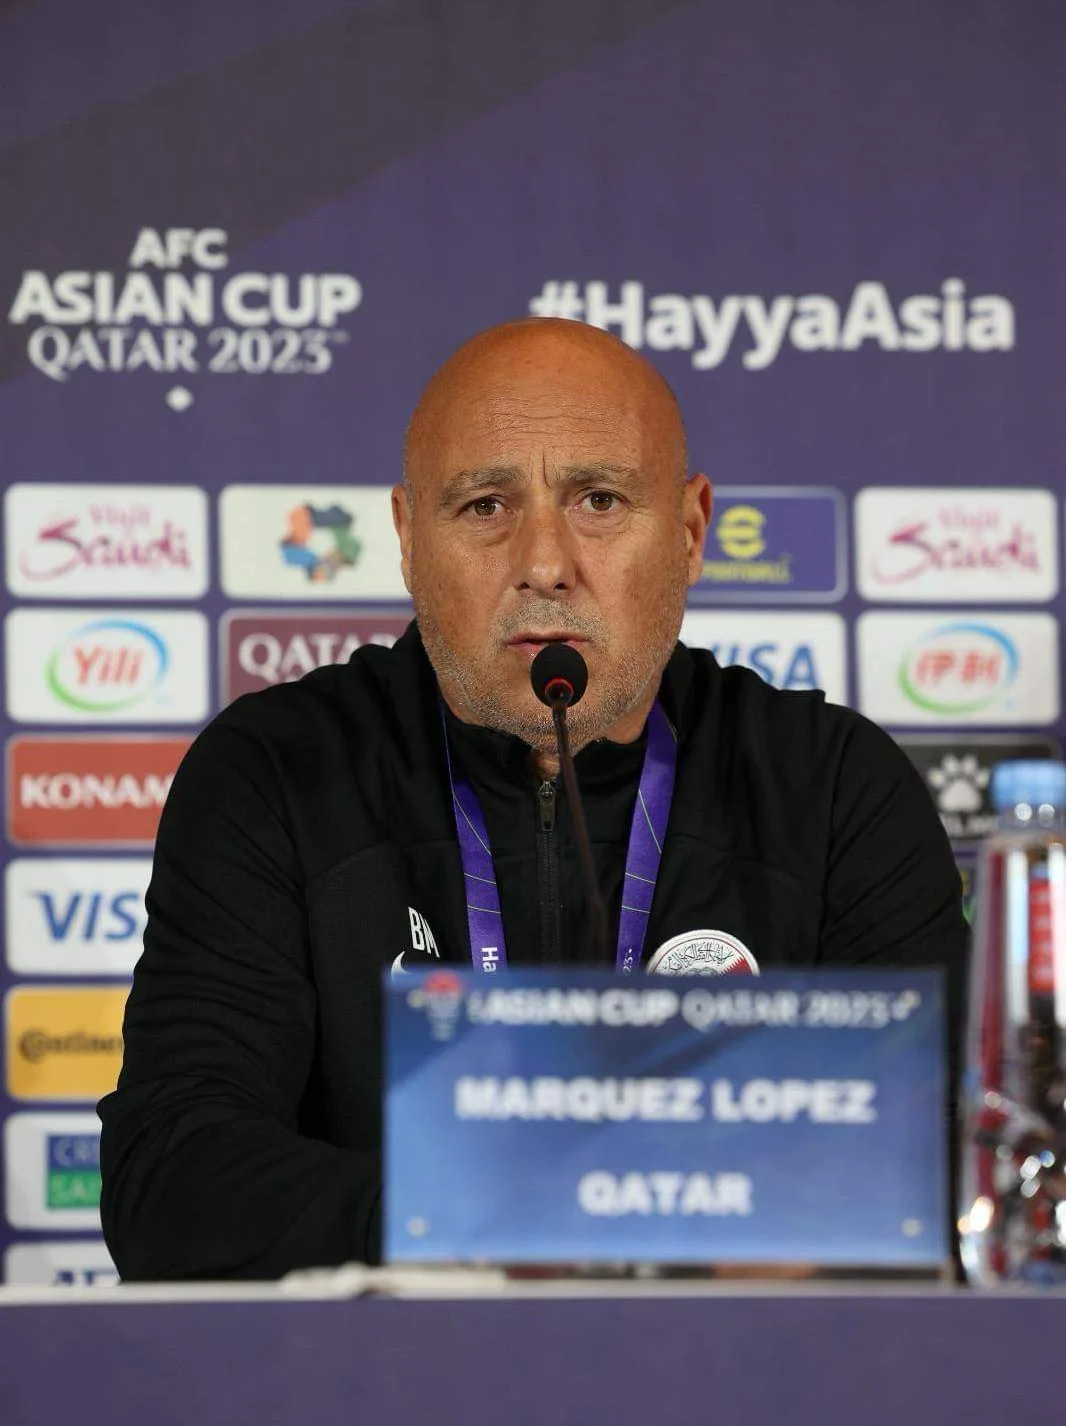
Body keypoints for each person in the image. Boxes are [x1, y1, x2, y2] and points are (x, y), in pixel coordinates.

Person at [98, 317, 967, 1280]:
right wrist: (512, 1224)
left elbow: (946, 1163)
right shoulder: (280, 771)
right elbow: (170, 1182)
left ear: (689, 532)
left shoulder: (832, 785)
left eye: (600, 499)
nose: (545, 563)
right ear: (407, 537)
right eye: (485, 505)